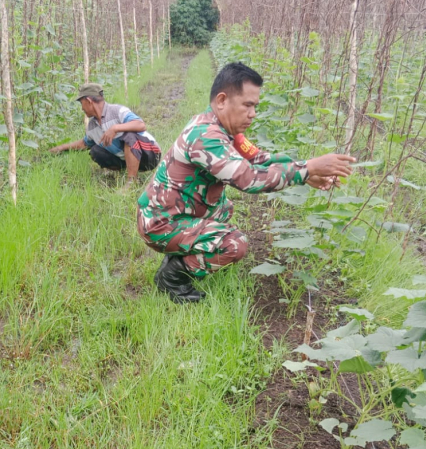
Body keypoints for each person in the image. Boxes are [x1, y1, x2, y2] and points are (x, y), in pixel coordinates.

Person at [136, 62, 356, 303]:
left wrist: (306, 172)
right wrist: (309, 168)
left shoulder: (224, 131)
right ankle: (173, 277)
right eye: (248, 105)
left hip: (176, 211)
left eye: (255, 106)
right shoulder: (206, 137)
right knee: (234, 243)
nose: (253, 114)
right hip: (159, 223)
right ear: (222, 100)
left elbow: (260, 160)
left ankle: (182, 251)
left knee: (224, 208)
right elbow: (249, 179)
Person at [49, 83, 161, 185]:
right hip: (128, 159)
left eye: (81, 103)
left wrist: (115, 128)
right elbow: (84, 144)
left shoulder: (117, 111)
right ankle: (123, 172)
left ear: (88, 101)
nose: (82, 108)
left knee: (129, 136)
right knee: (95, 151)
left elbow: (140, 125)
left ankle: (131, 182)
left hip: (150, 154)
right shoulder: (92, 126)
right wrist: (61, 148)